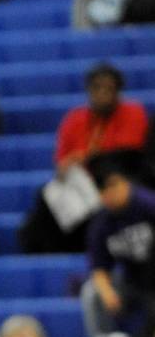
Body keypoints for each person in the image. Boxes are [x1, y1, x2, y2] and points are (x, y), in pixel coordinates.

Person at [20, 63, 150, 253]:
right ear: (88, 90)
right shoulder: (74, 119)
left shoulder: (133, 113)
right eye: (97, 88)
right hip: (80, 185)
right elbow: (61, 163)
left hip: (116, 180)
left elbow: (128, 153)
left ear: (118, 91)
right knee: (47, 196)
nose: (103, 93)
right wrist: (67, 166)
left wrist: (86, 158)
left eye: (109, 88)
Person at [80, 153, 155, 337]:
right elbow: (99, 267)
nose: (111, 193)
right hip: (131, 280)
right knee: (92, 293)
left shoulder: (148, 205)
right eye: (104, 189)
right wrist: (106, 291)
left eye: (115, 185)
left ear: (125, 183)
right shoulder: (101, 223)